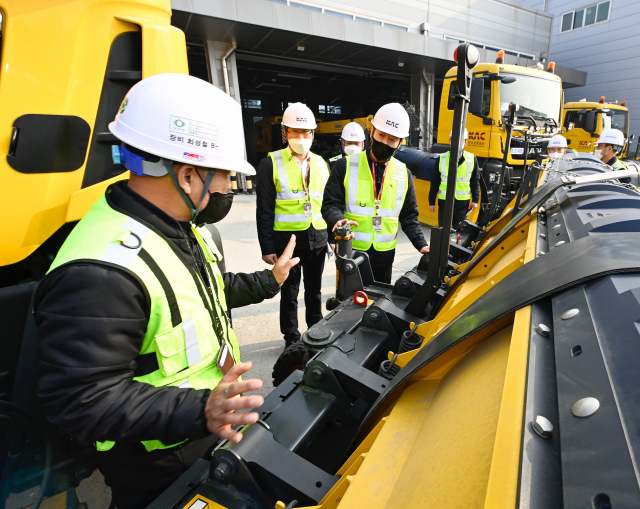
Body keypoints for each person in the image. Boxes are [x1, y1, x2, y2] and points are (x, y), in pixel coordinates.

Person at [35, 74, 299, 509]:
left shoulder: (179, 227)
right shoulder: (102, 271)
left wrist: (269, 281)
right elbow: (80, 399)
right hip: (156, 460)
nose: (228, 189)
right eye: (225, 177)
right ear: (189, 175)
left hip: (202, 433)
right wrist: (200, 410)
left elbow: (206, 290)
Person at [322, 102, 429, 284]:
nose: (384, 143)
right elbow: (330, 204)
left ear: (400, 143)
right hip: (352, 252)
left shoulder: (404, 173)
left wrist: (422, 244)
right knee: (350, 307)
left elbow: (409, 216)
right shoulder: (345, 166)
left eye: (392, 139)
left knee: (378, 306)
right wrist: (337, 219)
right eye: (381, 135)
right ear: (371, 132)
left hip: (384, 257)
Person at [255, 103, 333, 347]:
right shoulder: (270, 164)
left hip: (317, 237)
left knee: (315, 289)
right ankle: (291, 337)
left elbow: (328, 203)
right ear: (285, 132)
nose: (301, 137)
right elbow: (264, 209)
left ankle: (316, 329)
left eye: (306, 132)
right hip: (287, 241)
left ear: (313, 134)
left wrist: (331, 237)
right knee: (289, 292)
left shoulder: (322, 163)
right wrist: (267, 247)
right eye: (295, 132)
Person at [428, 128, 480, 230]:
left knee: (459, 233)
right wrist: (432, 201)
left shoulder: (472, 159)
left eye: (461, 140)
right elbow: (435, 182)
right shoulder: (441, 159)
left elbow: (475, 180)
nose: (457, 143)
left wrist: (475, 200)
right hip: (444, 203)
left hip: (462, 204)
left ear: (466, 142)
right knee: (443, 231)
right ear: (449, 141)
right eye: (455, 139)